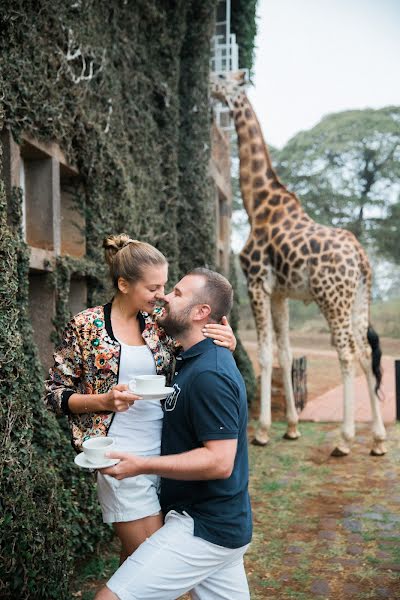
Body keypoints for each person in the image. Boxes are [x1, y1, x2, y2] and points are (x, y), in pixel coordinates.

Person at [44, 236, 236, 563]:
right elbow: (53, 394)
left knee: (135, 560)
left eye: (164, 286)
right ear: (123, 284)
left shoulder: (159, 326)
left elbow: (198, 351)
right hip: (118, 454)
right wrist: (103, 401)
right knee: (153, 560)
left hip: (165, 453)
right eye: (153, 288)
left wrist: (227, 340)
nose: (161, 295)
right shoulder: (86, 326)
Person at [95, 267, 252, 600]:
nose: (165, 295)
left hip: (203, 527)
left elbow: (220, 462)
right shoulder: (190, 359)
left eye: (177, 292)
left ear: (200, 312)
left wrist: (142, 465)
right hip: (218, 525)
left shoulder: (210, 373)